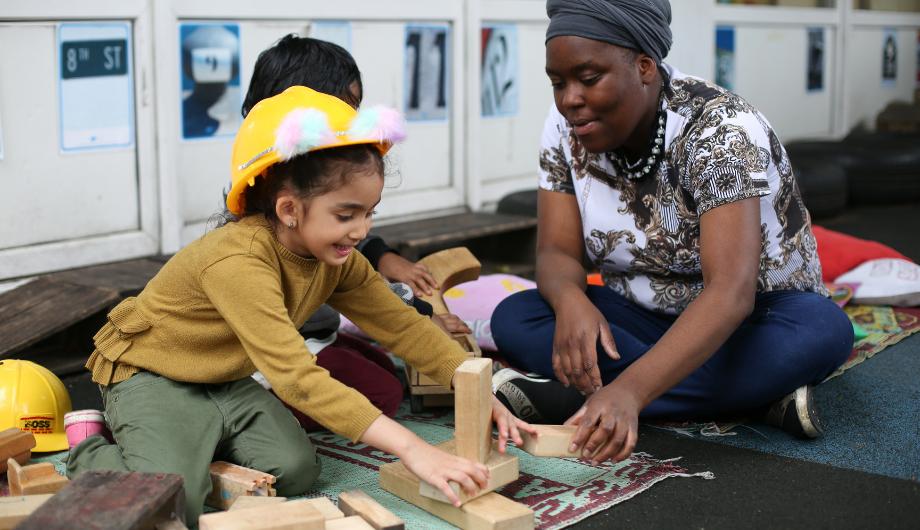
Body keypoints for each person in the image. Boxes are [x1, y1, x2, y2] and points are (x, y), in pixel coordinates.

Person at [67, 87, 533, 523]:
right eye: (346, 215)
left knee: (294, 469)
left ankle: (187, 444)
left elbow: (402, 326)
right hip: (153, 375)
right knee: (170, 503)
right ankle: (88, 445)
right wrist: (413, 449)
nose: (361, 231)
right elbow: (296, 378)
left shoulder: (336, 258)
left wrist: (474, 387)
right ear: (290, 210)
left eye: (369, 213)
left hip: (224, 378)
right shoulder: (239, 261)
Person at [490, 0, 853, 466]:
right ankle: (756, 399)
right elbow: (557, 252)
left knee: (821, 330)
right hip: (641, 316)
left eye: (588, 78)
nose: (569, 100)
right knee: (517, 316)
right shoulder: (564, 127)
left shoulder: (720, 130)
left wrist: (631, 391)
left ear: (644, 66)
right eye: (558, 83)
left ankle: (576, 399)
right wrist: (571, 301)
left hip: (750, 321)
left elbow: (730, 293)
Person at [239, 35, 468, 430]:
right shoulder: (257, 231)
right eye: (345, 109)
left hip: (314, 331)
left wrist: (392, 273)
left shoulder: (312, 188)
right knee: (382, 393)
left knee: (383, 366)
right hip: (274, 351)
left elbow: (358, 278)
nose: (354, 123)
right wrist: (418, 318)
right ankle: (243, 406)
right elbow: (352, 285)